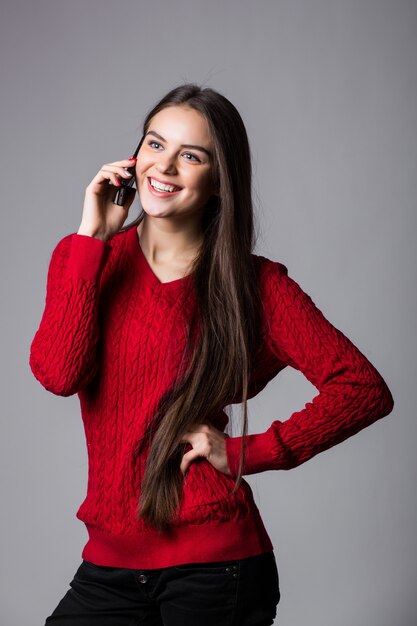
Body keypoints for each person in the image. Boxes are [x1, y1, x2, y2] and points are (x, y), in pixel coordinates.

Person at [29, 83, 394, 626]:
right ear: (134, 157)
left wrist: (247, 452)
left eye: (191, 156)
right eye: (155, 145)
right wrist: (91, 238)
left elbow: (362, 390)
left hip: (216, 568)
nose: (165, 166)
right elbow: (59, 374)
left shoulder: (256, 286)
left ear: (220, 179)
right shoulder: (84, 258)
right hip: (108, 566)